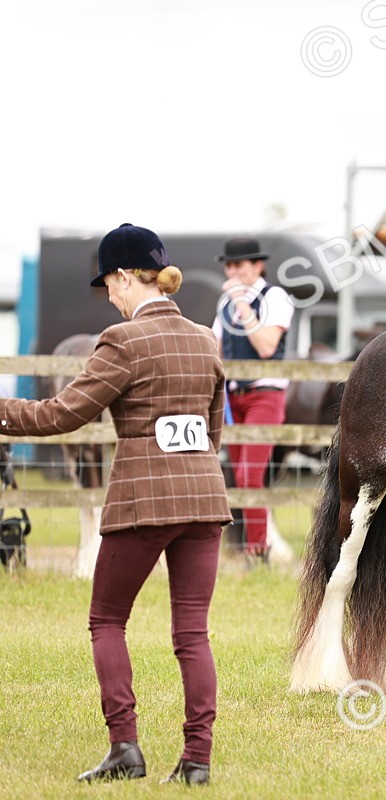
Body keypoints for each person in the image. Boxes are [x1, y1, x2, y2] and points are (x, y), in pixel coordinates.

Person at [0, 224, 231, 784]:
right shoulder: (206, 338)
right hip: (204, 498)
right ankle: (197, 761)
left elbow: (61, 415)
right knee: (192, 634)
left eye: (109, 283)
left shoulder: (122, 341)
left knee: (106, 620)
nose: (109, 296)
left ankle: (125, 748)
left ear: (127, 276)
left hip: (142, 501)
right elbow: (212, 425)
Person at [212, 237, 294, 564]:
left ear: (257, 266)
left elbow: (266, 347)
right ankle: (248, 547)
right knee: (237, 473)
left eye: (239, 265)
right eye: (229, 265)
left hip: (265, 394)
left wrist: (244, 309)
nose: (233, 271)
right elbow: (215, 347)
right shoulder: (225, 305)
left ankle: (257, 551)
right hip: (234, 397)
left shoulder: (274, 297)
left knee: (249, 474)